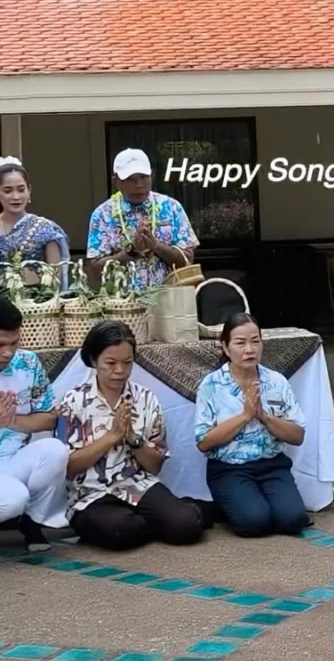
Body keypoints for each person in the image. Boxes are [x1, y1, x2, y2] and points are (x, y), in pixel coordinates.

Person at [56, 320, 204, 550]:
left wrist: (133, 439)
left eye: (127, 363)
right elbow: (67, 467)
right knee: (121, 531)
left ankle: (172, 514)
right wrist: (110, 437)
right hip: (90, 494)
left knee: (186, 526)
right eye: (111, 363)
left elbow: (155, 466)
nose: (120, 371)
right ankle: (148, 521)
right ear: (94, 360)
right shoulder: (72, 402)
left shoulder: (145, 399)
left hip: (137, 485)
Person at [195, 313, 309, 537]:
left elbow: (297, 435)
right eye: (240, 343)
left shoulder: (276, 382)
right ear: (226, 348)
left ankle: (259, 502)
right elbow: (203, 442)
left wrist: (264, 417)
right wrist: (245, 416)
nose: (249, 349)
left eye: (255, 341)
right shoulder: (211, 385)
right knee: (254, 523)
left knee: (293, 520)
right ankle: (232, 505)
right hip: (229, 468)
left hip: (272, 465)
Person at [0, 295, 72, 551]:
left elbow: (50, 417)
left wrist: (11, 421)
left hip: (12, 458)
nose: (8, 352)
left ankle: (32, 521)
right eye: (0, 345)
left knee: (55, 450)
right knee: (13, 499)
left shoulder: (27, 363)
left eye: (14, 343)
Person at [86, 148, 198, 292]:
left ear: (152, 176)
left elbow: (187, 261)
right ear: (115, 181)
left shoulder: (171, 207)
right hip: (123, 307)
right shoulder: (102, 215)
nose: (138, 184)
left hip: (170, 302)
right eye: (130, 179)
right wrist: (131, 252)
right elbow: (95, 271)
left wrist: (156, 246)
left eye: (144, 177)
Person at [0, 157, 70, 284]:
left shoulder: (46, 230)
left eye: (21, 190)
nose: (16, 197)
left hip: (37, 301)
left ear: (29, 190)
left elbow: (55, 280)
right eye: (8, 191)